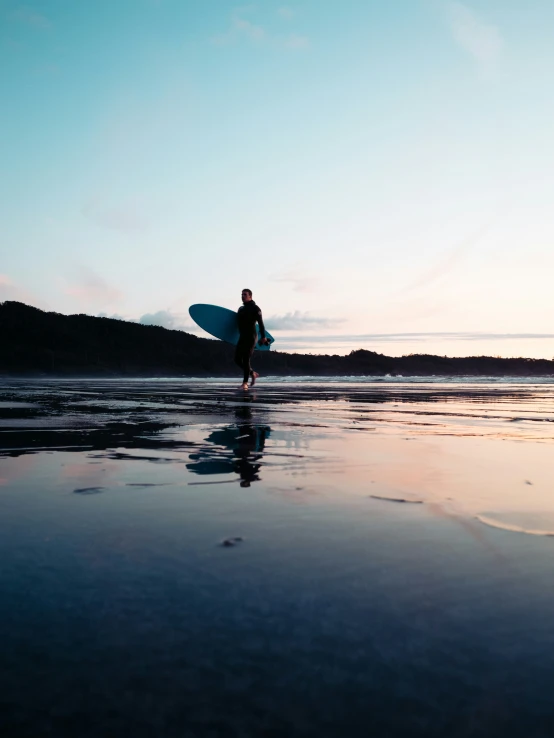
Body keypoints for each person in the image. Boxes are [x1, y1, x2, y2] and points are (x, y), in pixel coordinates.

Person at [235, 288, 269, 390]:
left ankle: (245, 383)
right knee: (236, 359)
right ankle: (252, 373)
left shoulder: (256, 309)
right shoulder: (241, 309)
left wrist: (263, 337)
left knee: (246, 359)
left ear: (250, 296)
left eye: (245, 294)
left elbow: (261, 324)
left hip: (251, 336)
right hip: (242, 336)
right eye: (242, 294)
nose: (243, 296)